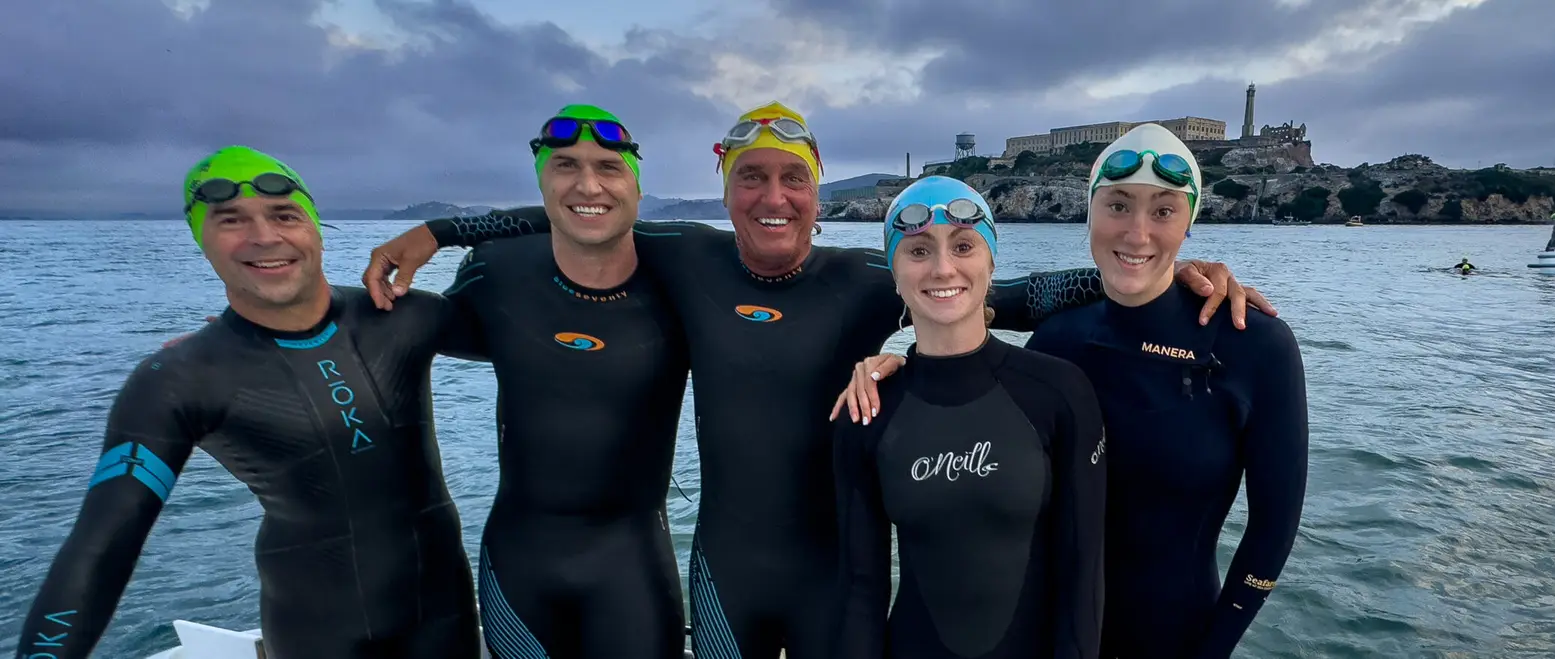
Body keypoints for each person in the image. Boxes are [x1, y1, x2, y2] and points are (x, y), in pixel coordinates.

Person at [359, 102, 1274, 659]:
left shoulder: (866, 281)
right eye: (749, 176)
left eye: (791, 179)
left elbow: (1007, 289)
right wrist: (445, 233)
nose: (770, 196)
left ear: (819, 193)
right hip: (726, 571)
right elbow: (583, 211)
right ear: (722, 190)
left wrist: (1175, 277)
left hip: (839, 577)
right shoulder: (685, 259)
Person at [838, 124, 1309, 659]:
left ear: (1190, 221)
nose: (1137, 232)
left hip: (1176, 638)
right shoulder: (1059, 339)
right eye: (1117, 205)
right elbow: (969, 299)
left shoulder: (1254, 345)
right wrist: (901, 366)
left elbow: (1272, 535)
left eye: (1163, 210)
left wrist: (1213, 650)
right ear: (1089, 211)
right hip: (1042, 635)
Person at [14, 147, 484, 659]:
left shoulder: (402, 317)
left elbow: (562, 282)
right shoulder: (178, 380)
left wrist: (442, 231)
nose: (263, 237)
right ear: (201, 240)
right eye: (230, 220)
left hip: (448, 622)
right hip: (319, 635)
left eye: (284, 215)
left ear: (315, 228)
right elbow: (100, 550)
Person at [446, 104, 692, 658]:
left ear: (635, 184)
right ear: (541, 179)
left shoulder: (679, 278)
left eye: (608, 166)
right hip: (520, 565)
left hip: (633, 564)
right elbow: (398, 331)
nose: (588, 184)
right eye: (565, 165)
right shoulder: (497, 271)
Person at [834, 177, 1106, 659]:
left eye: (963, 246)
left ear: (991, 261)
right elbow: (861, 589)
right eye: (918, 251)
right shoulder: (869, 410)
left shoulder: (1059, 392)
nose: (943, 268)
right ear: (894, 273)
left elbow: (1082, 573)